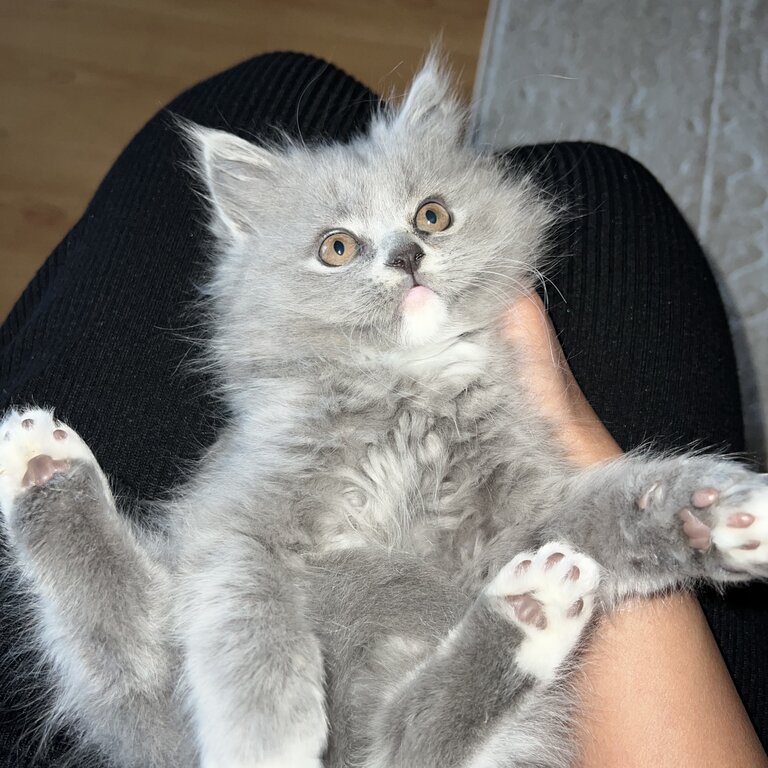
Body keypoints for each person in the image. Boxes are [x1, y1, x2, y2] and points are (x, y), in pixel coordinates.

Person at [0, 52, 766, 767]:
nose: (402, 254)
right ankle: (451, 700)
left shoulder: (486, 388)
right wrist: (259, 685)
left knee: (279, 79)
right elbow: (239, 543)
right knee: (205, 603)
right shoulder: (293, 399)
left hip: (428, 655)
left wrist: (660, 517)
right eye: (339, 248)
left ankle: (448, 703)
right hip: (380, 681)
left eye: (429, 217)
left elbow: (550, 536)